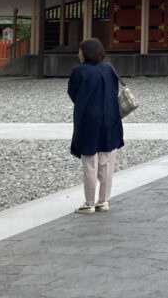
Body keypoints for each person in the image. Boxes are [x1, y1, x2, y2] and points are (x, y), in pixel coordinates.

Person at [67, 37, 124, 214]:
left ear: (85, 52)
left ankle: (89, 202)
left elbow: (73, 92)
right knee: (107, 160)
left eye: (80, 50)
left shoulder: (79, 71)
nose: (79, 53)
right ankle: (103, 200)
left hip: (88, 119)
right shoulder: (109, 68)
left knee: (90, 161)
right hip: (110, 117)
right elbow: (115, 91)